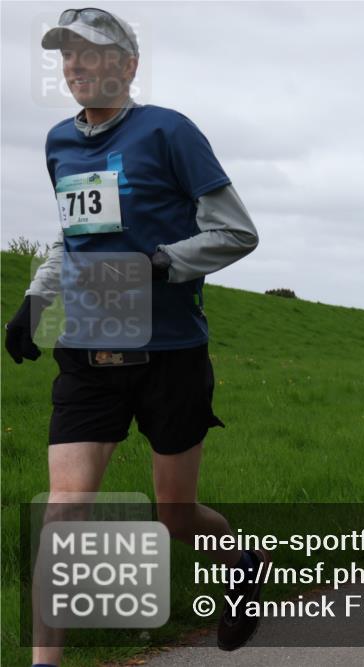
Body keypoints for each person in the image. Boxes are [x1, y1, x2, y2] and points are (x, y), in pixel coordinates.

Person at [4, 10, 262, 665]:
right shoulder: (58, 142)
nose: (75, 67)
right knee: (64, 509)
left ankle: (240, 558)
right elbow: (73, 239)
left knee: (175, 515)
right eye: (67, 56)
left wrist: (163, 261)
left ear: (127, 65)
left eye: (91, 54)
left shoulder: (170, 131)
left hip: (168, 353)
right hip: (87, 351)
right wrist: (34, 303)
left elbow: (237, 231)